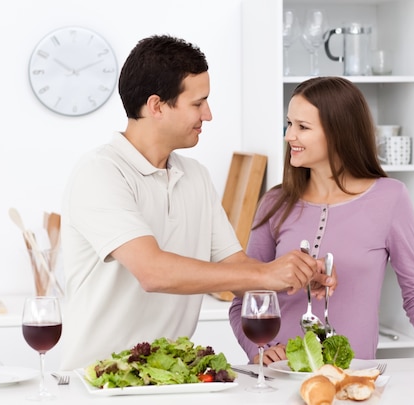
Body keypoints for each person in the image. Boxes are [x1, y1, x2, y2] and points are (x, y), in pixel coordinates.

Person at [59, 35, 334, 371]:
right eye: (198, 103)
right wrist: (267, 273)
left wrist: (297, 276)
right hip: (98, 382)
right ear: (157, 106)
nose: (208, 114)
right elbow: (152, 272)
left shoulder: (195, 176)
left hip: (172, 379)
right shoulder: (100, 172)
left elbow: (235, 272)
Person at [229, 76, 414, 372]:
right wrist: (259, 351)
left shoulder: (390, 197)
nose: (290, 135)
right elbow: (243, 298)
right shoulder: (276, 202)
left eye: (302, 127)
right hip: (279, 377)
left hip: (353, 378)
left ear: (339, 132)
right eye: (289, 124)